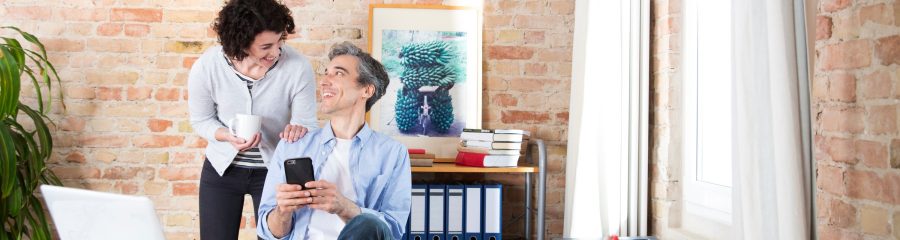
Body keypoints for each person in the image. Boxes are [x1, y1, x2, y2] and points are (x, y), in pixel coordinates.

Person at [187, 0, 317, 239]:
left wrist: (297, 131)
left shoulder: (297, 67)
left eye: (280, 42)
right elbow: (201, 120)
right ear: (241, 42)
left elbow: (308, 124)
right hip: (221, 170)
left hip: (275, 172)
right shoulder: (208, 66)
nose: (276, 52)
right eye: (266, 46)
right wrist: (226, 135)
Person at [257, 42, 411, 240]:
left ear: (366, 90)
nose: (324, 81)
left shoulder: (392, 153)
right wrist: (283, 212)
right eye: (326, 73)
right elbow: (268, 232)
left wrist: (344, 207)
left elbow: (391, 230)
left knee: (369, 223)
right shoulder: (293, 145)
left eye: (338, 73)